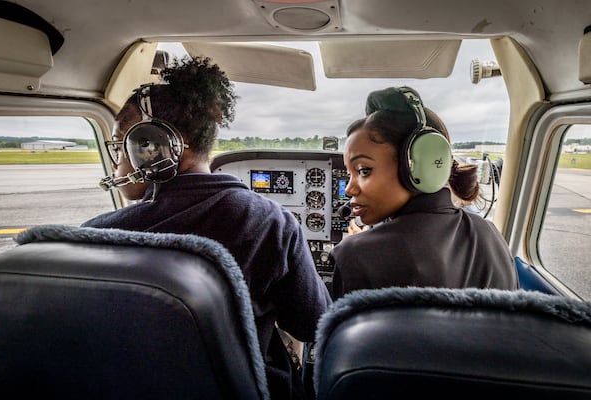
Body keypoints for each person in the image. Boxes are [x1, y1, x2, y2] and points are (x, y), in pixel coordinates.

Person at [83, 56, 332, 400]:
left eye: (120, 145)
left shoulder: (93, 235)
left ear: (153, 145)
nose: (116, 160)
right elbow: (315, 324)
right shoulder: (269, 222)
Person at [330, 86, 518, 300]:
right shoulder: (489, 234)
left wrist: (361, 248)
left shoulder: (354, 256)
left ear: (415, 166)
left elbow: (337, 333)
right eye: (349, 173)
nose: (349, 188)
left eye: (364, 170)